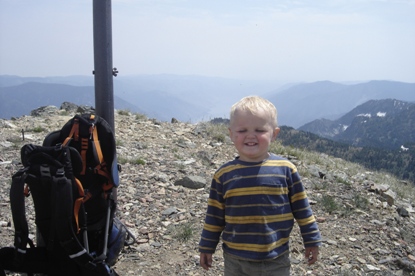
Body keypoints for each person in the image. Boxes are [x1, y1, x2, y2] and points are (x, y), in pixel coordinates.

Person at [198, 96, 321, 275]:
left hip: (275, 258)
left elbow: (302, 210)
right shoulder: (224, 175)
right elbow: (214, 216)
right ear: (231, 134)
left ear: (274, 134)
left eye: (259, 129)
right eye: (242, 130)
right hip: (235, 259)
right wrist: (207, 246)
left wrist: (311, 240)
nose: (250, 135)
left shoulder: (286, 170)